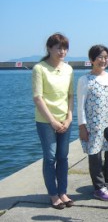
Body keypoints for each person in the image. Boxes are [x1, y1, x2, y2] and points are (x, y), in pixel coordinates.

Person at [77, 45, 108, 201]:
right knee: (95, 155)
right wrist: (82, 126)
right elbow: (80, 105)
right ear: (91, 60)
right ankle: (99, 188)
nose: (104, 60)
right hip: (94, 124)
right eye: (100, 57)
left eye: (106, 57)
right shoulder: (84, 80)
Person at [32, 33, 74, 210]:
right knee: (50, 158)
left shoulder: (69, 69)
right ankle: (53, 194)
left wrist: (69, 117)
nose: (62, 51)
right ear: (49, 48)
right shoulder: (39, 68)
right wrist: (52, 121)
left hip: (65, 120)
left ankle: (62, 191)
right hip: (45, 121)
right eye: (59, 47)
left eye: (65, 48)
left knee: (63, 157)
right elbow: (38, 98)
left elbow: (70, 95)